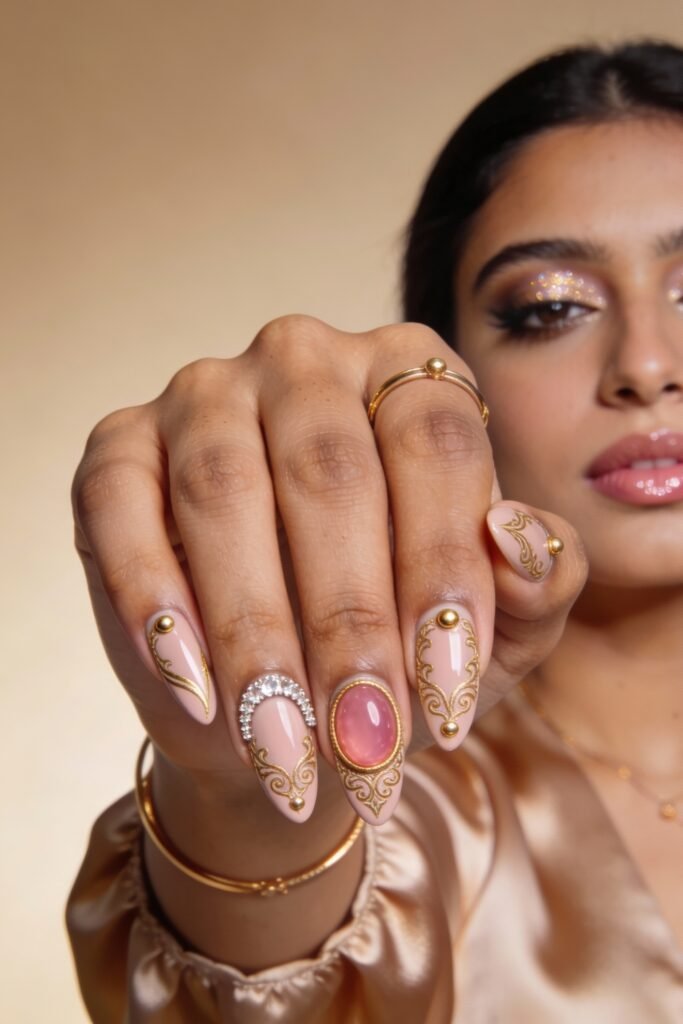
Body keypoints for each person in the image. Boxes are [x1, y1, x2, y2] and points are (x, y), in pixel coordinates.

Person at [66, 39, 683, 1022]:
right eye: (549, 308)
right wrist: (242, 802)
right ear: (452, 392)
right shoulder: (402, 808)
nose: (644, 364)